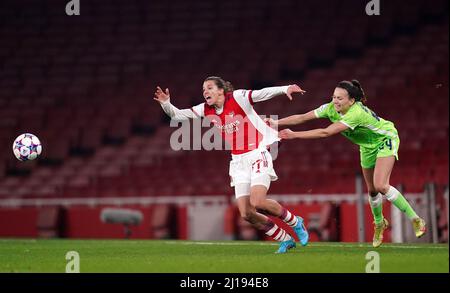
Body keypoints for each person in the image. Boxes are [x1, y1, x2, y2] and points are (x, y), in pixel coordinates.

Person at [154, 76, 309, 253]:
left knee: (257, 201)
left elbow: (261, 93)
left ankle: (296, 222)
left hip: (258, 151)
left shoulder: (237, 97)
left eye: (210, 87)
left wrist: (285, 88)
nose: (205, 91)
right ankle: (285, 239)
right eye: (204, 89)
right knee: (246, 213)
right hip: (238, 161)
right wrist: (166, 104)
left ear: (221, 90)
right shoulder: (205, 109)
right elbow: (177, 115)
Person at [270, 79, 426, 247]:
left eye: (340, 98)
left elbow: (325, 132)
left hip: (385, 138)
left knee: (381, 185)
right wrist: (275, 122)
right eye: (334, 97)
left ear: (352, 101)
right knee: (372, 190)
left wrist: (294, 135)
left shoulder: (355, 113)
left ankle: (416, 219)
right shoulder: (330, 107)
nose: (335, 101)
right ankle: (380, 223)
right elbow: (302, 117)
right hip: (366, 146)